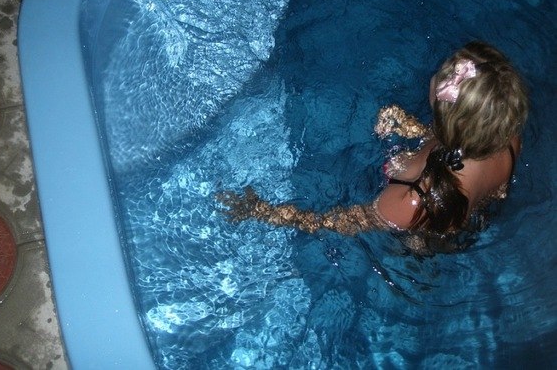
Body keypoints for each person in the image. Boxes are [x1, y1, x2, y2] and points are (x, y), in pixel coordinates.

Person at [217, 41, 529, 251]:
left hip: (421, 229)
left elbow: (338, 223)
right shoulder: (506, 137)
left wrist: (262, 211)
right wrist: (413, 128)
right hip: (468, 201)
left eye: (439, 75)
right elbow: (459, 150)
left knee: (413, 244)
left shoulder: (409, 202)